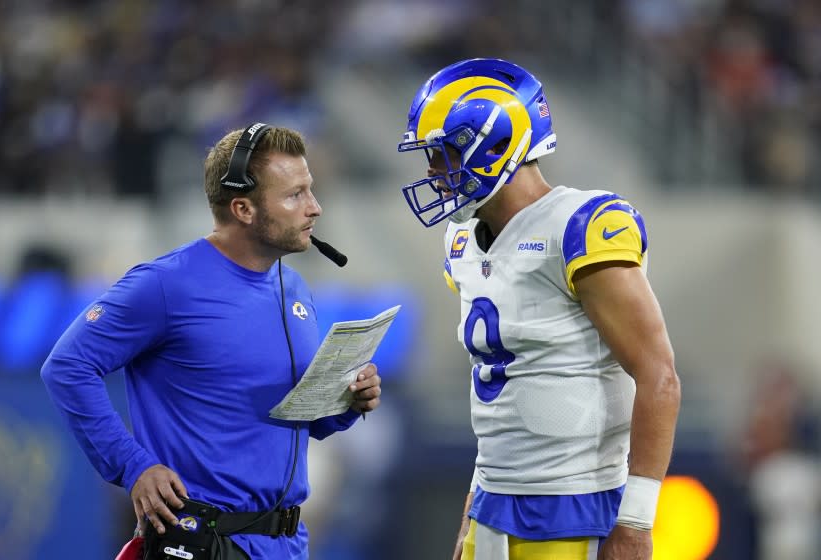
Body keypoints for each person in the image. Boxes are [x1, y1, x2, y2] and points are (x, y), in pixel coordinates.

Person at [41, 124, 382, 560]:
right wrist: (132, 466)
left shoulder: (292, 286)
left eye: (310, 191)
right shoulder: (165, 285)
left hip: (286, 544)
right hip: (200, 542)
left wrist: (345, 403)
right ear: (243, 208)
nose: (314, 208)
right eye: (295, 195)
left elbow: (289, 421)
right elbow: (67, 366)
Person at [397, 58, 681, 560]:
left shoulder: (580, 226)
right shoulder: (462, 239)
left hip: (575, 507)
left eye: (441, 154)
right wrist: (473, 506)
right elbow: (501, 394)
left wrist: (636, 521)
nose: (432, 172)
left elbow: (659, 375)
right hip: (493, 506)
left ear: (494, 144)